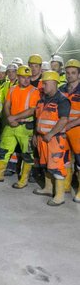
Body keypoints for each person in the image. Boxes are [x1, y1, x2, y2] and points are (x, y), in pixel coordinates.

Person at [0, 65, 40, 185]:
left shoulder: (34, 91)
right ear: (18, 77)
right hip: (11, 126)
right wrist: (10, 118)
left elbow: (32, 110)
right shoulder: (12, 89)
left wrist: (13, 117)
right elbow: (6, 105)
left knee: (27, 154)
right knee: (3, 150)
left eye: (28, 77)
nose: (26, 80)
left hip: (26, 127)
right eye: (23, 77)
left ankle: (23, 180)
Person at [32, 71, 71, 206]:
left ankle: (60, 196)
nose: (43, 86)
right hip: (43, 139)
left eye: (46, 83)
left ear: (54, 83)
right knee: (46, 165)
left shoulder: (62, 100)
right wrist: (36, 134)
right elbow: (38, 118)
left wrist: (51, 134)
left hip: (55, 139)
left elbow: (63, 120)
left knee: (56, 166)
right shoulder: (42, 99)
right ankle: (48, 188)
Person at [60, 59, 80, 202]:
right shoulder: (61, 89)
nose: (70, 75)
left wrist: (71, 124)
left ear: (79, 74)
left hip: (78, 130)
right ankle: (66, 185)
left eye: (73, 73)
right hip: (64, 130)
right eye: (67, 73)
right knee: (65, 159)